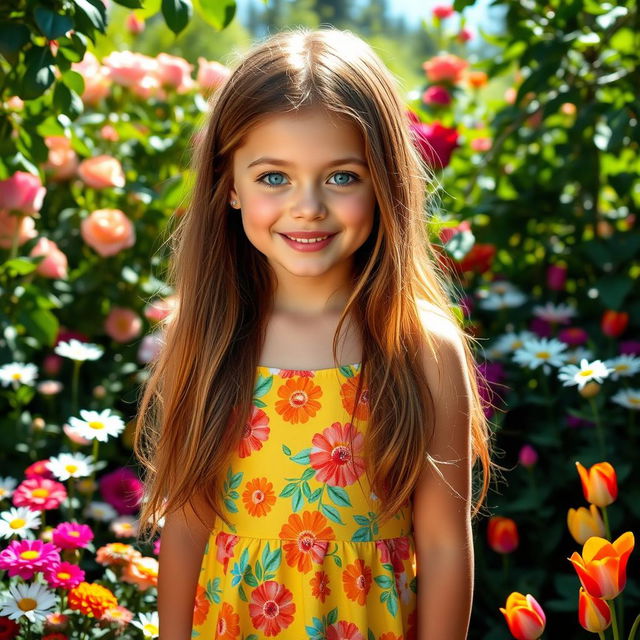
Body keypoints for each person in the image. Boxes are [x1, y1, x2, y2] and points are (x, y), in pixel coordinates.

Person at [133, 26, 495, 640]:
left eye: (342, 177)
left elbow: (442, 546)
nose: (308, 207)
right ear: (229, 186)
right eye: (273, 177)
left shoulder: (422, 345)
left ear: (385, 183)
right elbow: (187, 527)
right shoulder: (211, 336)